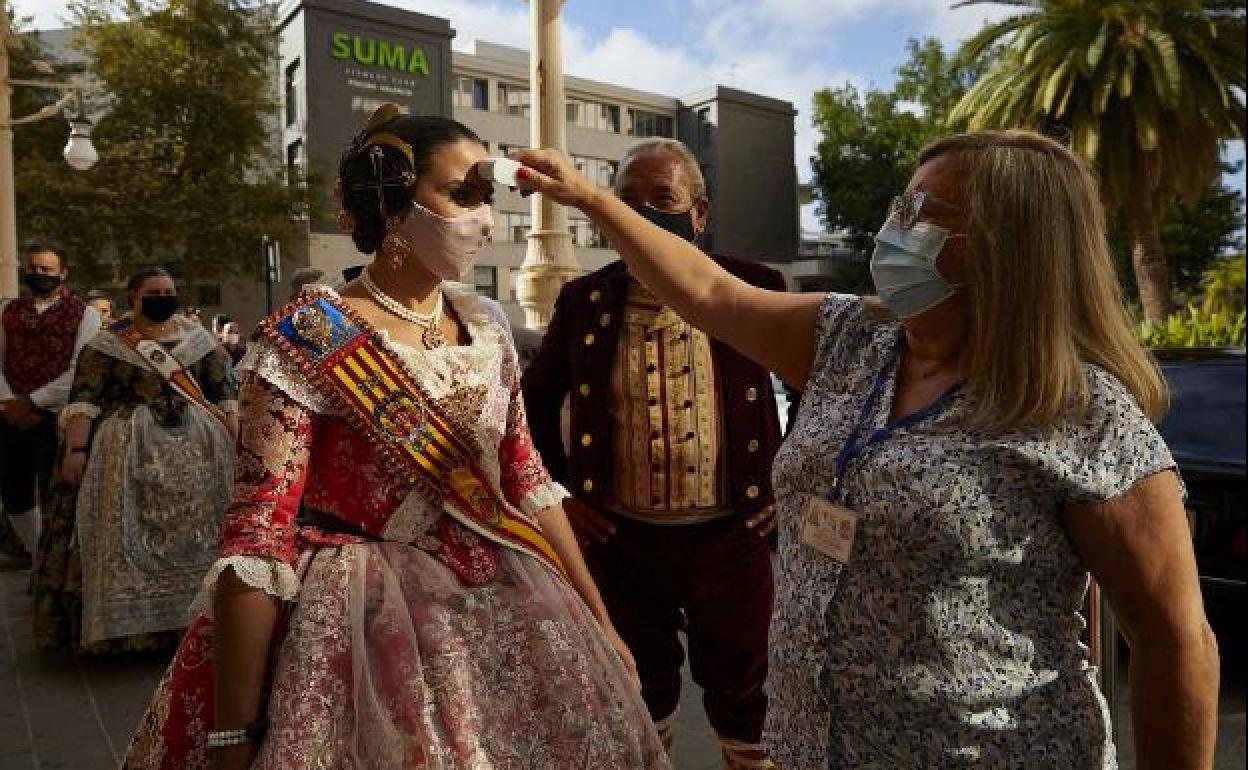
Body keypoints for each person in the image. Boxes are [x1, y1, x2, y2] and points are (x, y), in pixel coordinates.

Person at [508, 130, 1220, 769]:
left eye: (923, 215)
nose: (894, 230)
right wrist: (587, 198)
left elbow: (1175, 642)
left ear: (1011, 243)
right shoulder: (853, 339)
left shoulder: (1080, 411)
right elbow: (710, 293)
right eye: (898, 207)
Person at [122, 105, 668, 770]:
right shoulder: (307, 338)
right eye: (461, 195)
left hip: (509, 592)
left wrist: (601, 622)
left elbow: (525, 478)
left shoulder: (487, 323)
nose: (484, 219)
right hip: (360, 619)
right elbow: (258, 534)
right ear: (394, 208)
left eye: (486, 197)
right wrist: (233, 734)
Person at [522, 138, 784, 769]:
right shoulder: (584, 300)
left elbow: (817, 396)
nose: (642, 213)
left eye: (661, 199)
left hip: (731, 537)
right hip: (623, 545)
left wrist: (788, 492)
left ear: (699, 213)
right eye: (627, 201)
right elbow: (528, 404)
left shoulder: (752, 286)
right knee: (638, 686)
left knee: (749, 693)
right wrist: (562, 495)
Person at [31, 266, 238, 653]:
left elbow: (226, 397)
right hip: (126, 450)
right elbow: (84, 401)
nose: (163, 297)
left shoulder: (200, 341)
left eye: (168, 291)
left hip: (201, 455)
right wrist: (76, 451)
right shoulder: (108, 343)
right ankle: (130, 631)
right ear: (132, 297)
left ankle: (200, 619)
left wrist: (239, 447)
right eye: (154, 292)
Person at [0, 242, 101, 557]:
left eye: (46, 269)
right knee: (14, 493)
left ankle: (55, 564)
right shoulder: (6, 310)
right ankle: (37, 556)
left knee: (56, 494)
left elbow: (80, 370)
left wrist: (31, 401)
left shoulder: (85, 315)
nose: (38, 274)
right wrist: (8, 402)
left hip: (58, 418)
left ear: (63, 273)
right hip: (9, 415)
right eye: (32, 268)